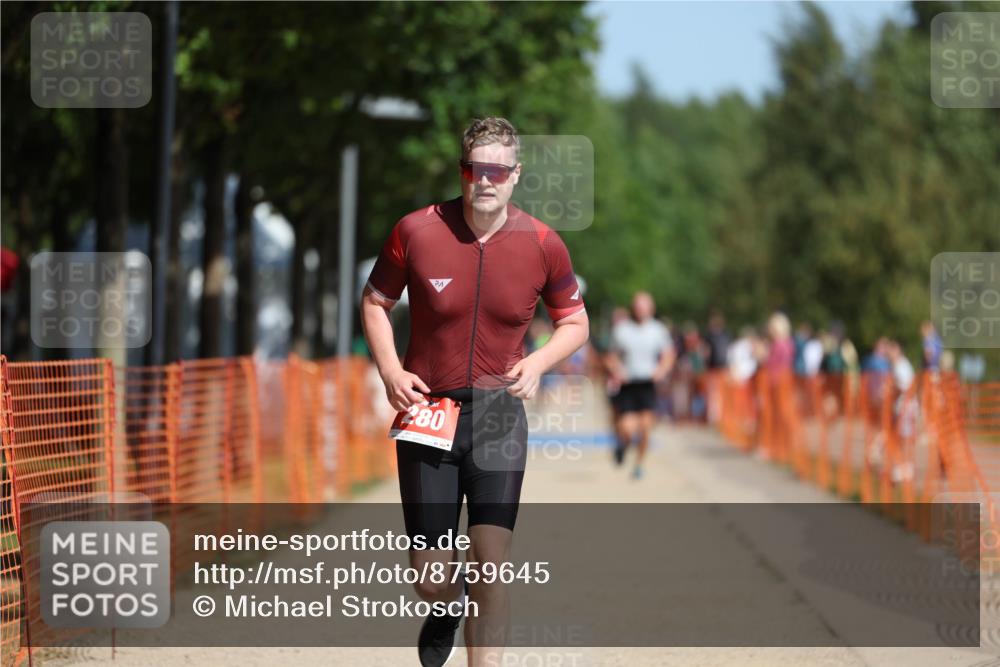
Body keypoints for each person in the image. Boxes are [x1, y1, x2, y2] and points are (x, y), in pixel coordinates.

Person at [360, 117, 589, 667]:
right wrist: (390, 370)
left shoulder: (543, 243)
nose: (484, 181)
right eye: (473, 169)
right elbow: (374, 302)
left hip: (497, 416)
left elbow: (576, 322)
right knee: (429, 577)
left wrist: (538, 363)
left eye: (496, 171)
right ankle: (446, 602)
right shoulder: (417, 231)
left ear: (516, 175)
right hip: (429, 413)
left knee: (492, 563)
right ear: (461, 171)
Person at [606, 292, 675, 479]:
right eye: (638, 306)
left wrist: (661, 371)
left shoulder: (658, 330)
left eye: (644, 307)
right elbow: (611, 357)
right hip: (628, 384)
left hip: (647, 384)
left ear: (651, 309)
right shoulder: (622, 330)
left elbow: (669, 355)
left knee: (645, 427)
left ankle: (639, 465)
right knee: (627, 429)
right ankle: (623, 445)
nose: (641, 310)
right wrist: (617, 370)